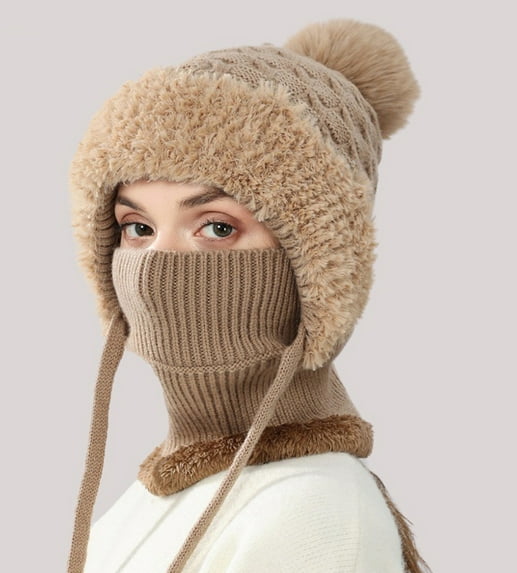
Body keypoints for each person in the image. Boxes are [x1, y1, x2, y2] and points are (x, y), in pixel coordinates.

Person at [67, 19, 429, 573]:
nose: (157, 267)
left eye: (216, 227)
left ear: (315, 263)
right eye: (137, 228)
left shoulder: (309, 512)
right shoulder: (157, 492)